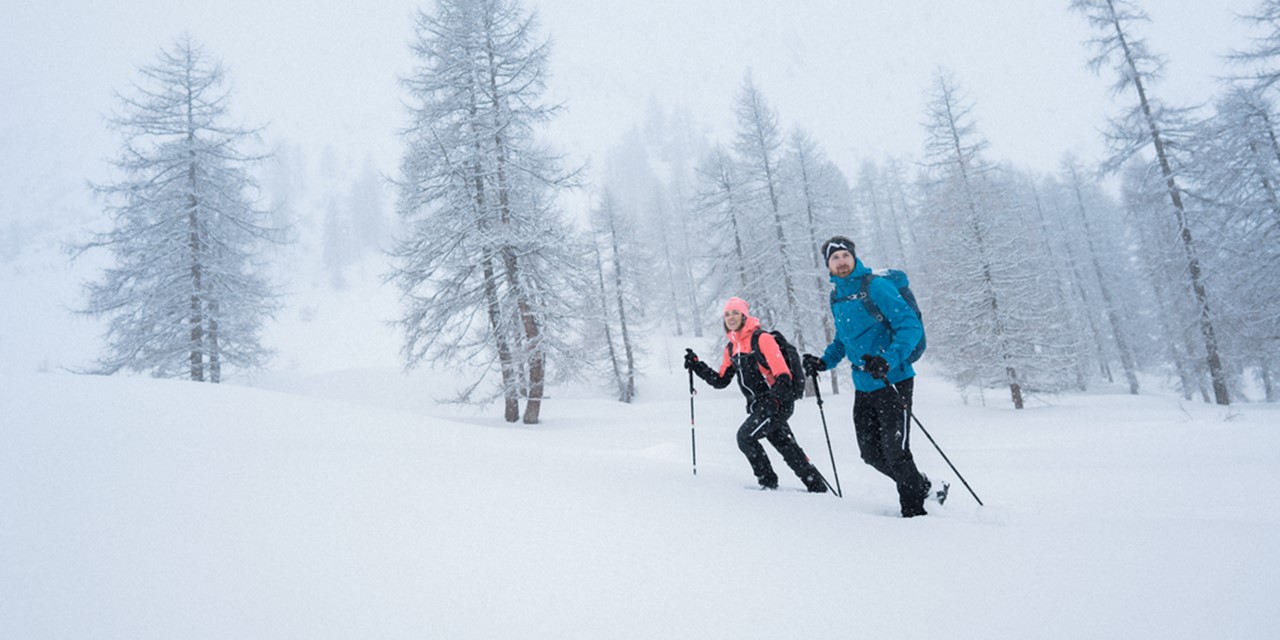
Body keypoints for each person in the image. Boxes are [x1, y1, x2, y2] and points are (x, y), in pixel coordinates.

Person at [802, 236, 936, 517]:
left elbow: (909, 326)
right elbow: (844, 338)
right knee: (870, 453)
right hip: (864, 384)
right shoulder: (836, 295)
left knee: (894, 450)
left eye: (844, 256)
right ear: (827, 264)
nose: (840, 262)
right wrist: (824, 361)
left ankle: (915, 517)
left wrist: (887, 360)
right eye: (834, 258)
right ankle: (919, 484)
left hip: (893, 379)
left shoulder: (876, 286)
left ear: (853, 257)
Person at [684, 297, 828, 493]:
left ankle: (768, 482)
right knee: (785, 444)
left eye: (735, 313)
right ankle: (816, 486)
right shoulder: (731, 348)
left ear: (745, 316)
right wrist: (696, 365)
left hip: (777, 403)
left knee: (745, 437)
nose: (731, 317)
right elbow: (720, 381)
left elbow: (783, 375)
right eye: (727, 314)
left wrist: (774, 401)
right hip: (761, 406)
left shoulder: (761, 339)